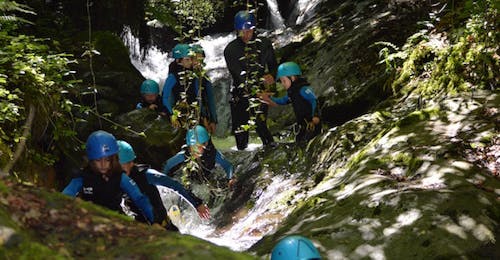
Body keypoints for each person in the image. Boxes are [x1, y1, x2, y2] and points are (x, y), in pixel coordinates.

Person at [62, 130, 154, 224]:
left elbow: (139, 198)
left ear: (113, 159)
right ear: (92, 161)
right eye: (98, 160)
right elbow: (66, 195)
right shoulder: (83, 177)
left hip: (114, 219)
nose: (103, 164)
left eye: (107, 160)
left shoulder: (120, 177)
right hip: (89, 219)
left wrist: (154, 221)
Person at [117, 140, 210, 226]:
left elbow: (174, 185)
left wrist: (197, 203)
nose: (119, 170)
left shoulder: (146, 175)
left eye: (124, 165)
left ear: (132, 162)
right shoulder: (112, 180)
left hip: (163, 226)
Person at [224, 10, 277, 150]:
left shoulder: (264, 44)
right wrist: (257, 94)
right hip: (240, 94)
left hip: (261, 89)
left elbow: (273, 65)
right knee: (240, 131)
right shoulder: (231, 50)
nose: (246, 34)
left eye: (249, 31)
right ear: (237, 31)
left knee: (261, 124)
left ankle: (272, 149)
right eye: (242, 31)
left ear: (254, 29)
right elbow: (239, 76)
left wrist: (271, 75)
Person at [260, 62, 321, 143]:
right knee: (299, 143)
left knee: (307, 142)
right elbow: (283, 101)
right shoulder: (291, 92)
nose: (282, 84)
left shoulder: (303, 89)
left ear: (292, 78)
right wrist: (270, 98)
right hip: (302, 125)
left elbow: (314, 101)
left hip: (312, 124)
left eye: (284, 81)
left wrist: (316, 116)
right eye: (281, 81)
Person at [162, 125, 235, 188]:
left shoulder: (213, 153)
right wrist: (164, 181)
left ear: (205, 145)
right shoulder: (184, 155)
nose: (195, 150)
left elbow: (228, 166)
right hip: (191, 181)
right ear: (188, 146)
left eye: (198, 146)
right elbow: (167, 165)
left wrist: (230, 179)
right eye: (192, 147)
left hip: (209, 176)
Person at [162, 43, 194, 127]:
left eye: (191, 59)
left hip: (192, 113)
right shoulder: (173, 76)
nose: (190, 62)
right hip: (179, 115)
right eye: (187, 59)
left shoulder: (193, 75)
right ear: (178, 61)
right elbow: (165, 97)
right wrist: (172, 115)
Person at [190, 44, 218, 134]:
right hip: (192, 116)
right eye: (195, 59)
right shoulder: (186, 77)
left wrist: (213, 120)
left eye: (200, 59)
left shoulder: (204, 78)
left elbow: (211, 99)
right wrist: (204, 118)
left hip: (203, 116)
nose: (198, 62)